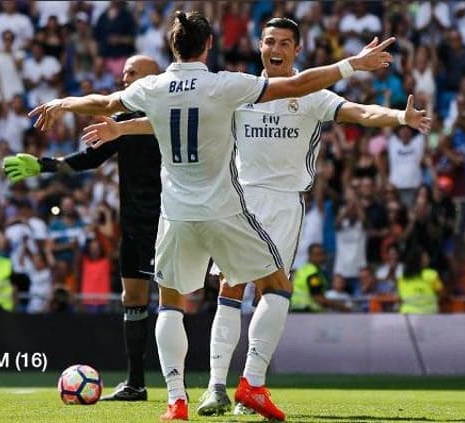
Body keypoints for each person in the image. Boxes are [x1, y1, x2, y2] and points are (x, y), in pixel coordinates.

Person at [27, 11, 394, 421]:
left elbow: (105, 103)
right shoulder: (224, 85)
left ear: (172, 47)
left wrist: (64, 103)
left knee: (169, 304)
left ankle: (176, 401)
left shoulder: (154, 86)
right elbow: (297, 85)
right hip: (224, 209)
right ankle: (251, 385)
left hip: (177, 214)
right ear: (208, 46)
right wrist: (351, 65)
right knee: (276, 285)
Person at [2, 55, 161, 401]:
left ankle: (204, 383)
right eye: (123, 73)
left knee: (178, 300)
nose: (125, 78)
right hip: (134, 226)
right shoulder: (122, 122)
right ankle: (136, 384)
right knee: (132, 299)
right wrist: (43, 165)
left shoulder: (170, 116)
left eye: (132, 73)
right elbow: (89, 159)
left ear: (154, 77)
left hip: (171, 223)